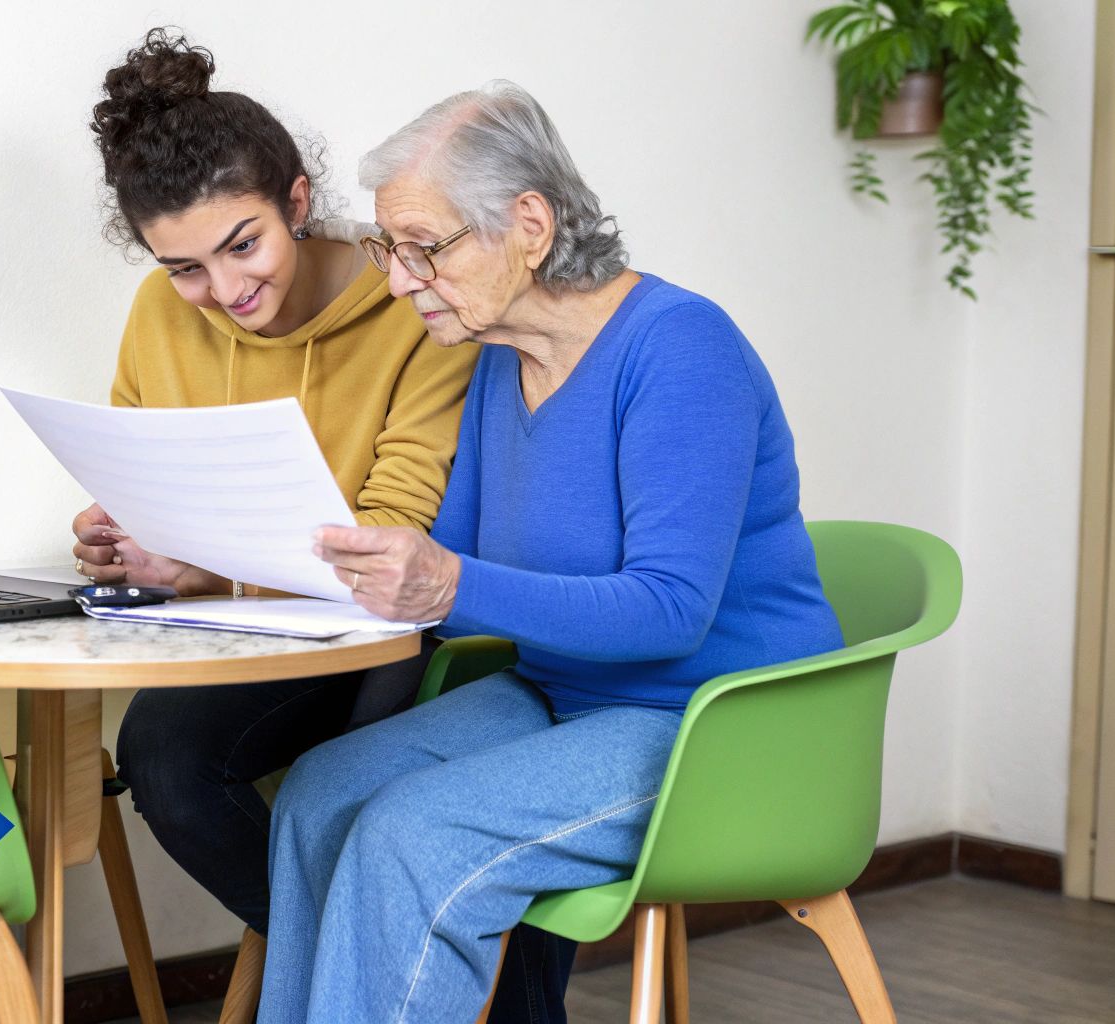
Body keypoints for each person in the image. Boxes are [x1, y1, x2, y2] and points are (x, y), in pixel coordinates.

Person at [258, 81, 848, 1023]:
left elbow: (669, 612)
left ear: (528, 226)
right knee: (320, 796)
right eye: (388, 248)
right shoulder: (501, 359)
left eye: (424, 247)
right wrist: (319, 560)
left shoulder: (681, 349)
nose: (399, 280)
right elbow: (453, 571)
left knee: (414, 833)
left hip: (713, 724)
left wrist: (445, 581)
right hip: (566, 698)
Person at [73, 30, 570, 1021]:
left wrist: (207, 565)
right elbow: (145, 473)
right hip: (239, 630)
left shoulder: (414, 304)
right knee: (162, 754)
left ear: (296, 203)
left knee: (276, 769)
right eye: (184, 268)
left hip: (379, 628)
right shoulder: (157, 311)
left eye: (241, 246)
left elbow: (398, 522)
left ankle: (390, 972)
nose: (223, 292)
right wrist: (128, 541)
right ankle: (377, 966)